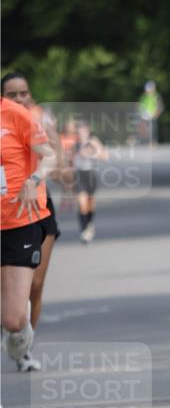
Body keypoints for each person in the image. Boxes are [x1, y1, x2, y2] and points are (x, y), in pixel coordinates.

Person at [1, 72, 62, 371]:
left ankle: (21, 333)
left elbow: (50, 156)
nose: (20, 98)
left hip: (18, 219)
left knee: (13, 317)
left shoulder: (17, 117)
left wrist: (33, 179)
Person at [72, 122, 107, 243]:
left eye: (83, 130)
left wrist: (93, 153)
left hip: (90, 175)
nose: (81, 133)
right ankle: (84, 229)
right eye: (78, 131)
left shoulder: (93, 142)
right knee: (82, 202)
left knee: (90, 203)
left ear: (87, 131)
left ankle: (90, 223)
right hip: (78, 175)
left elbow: (104, 157)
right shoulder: (74, 144)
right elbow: (67, 161)